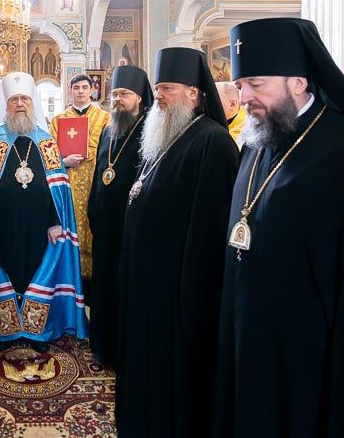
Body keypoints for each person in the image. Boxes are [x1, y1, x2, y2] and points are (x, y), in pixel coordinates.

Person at [214, 18, 344, 438]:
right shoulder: (257, 142)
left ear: (298, 82)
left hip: (312, 355)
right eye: (241, 85)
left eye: (256, 85)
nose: (243, 98)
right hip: (251, 336)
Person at [116, 47, 239, 438]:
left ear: (194, 93)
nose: (159, 96)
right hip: (148, 282)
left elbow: (210, 229)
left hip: (176, 289)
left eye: (167, 88)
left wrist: (188, 292)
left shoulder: (213, 142)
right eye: (158, 88)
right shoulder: (165, 135)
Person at [0, 71, 87, 354]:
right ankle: (7, 331)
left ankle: (38, 330)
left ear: (32, 103)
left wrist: (56, 222)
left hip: (40, 226)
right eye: (14, 100)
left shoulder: (46, 141)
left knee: (36, 270)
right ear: (6, 104)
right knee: (7, 270)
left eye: (25, 99)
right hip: (1, 226)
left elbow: (57, 188)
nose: (20, 104)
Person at [87, 65, 152, 367]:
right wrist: (93, 208)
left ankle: (123, 349)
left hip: (131, 224)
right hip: (105, 223)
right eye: (114, 94)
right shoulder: (108, 129)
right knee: (103, 284)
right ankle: (102, 344)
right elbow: (100, 172)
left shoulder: (150, 131)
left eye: (124, 94)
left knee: (125, 286)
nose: (117, 100)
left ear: (139, 97)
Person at [50, 74, 111, 281]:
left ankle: (93, 278)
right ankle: (69, 275)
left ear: (92, 90)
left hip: (96, 181)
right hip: (67, 182)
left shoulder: (105, 118)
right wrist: (64, 161)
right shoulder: (58, 120)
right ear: (70, 91)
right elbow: (48, 154)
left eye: (85, 87)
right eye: (76, 88)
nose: (81, 91)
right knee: (70, 223)